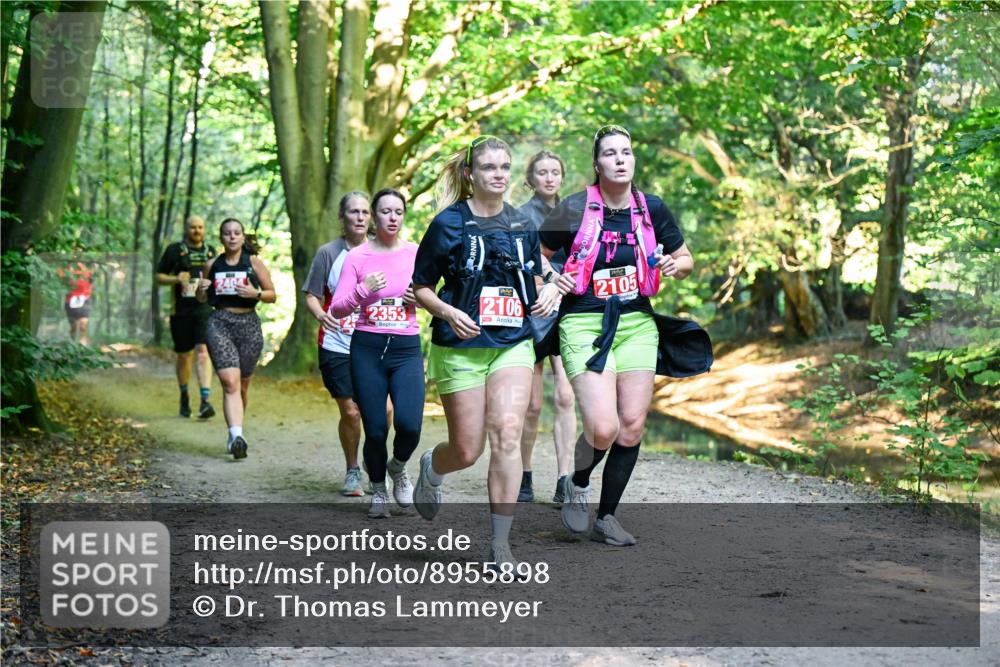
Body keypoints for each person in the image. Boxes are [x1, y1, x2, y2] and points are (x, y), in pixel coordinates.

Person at [411, 135, 566, 568]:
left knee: (507, 433)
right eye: (489, 168)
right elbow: (420, 285)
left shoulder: (522, 225)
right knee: (467, 449)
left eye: (504, 167)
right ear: (470, 175)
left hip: (511, 344)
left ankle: (500, 545)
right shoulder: (448, 224)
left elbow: (537, 277)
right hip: (460, 346)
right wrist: (446, 311)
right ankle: (434, 467)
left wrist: (551, 291)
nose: (498, 175)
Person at [539, 125, 693, 546]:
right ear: (597, 164)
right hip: (584, 322)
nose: (621, 159)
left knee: (632, 426)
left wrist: (677, 267)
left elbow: (684, 258)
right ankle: (578, 481)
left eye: (626, 152)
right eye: (611, 153)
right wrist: (553, 278)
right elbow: (536, 255)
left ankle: (606, 517)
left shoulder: (652, 209)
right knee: (603, 426)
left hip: (637, 323)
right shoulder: (573, 209)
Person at [329, 189, 422, 519]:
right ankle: (379, 489)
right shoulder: (358, 257)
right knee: (377, 428)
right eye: (385, 211)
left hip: (406, 347)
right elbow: (338, 308)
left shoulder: (415, 252)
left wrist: (421, 298)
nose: (393, 217)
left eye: (398, 211)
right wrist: (363, 289)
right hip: (367, 348)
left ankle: (398, 467)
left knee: (410, 426)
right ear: (374, 216)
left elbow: (434, 296)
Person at [516, 150, 576, 504]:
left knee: (567, 396)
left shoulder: (574, 212)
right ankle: (524, 476)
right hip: (534, 309)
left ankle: (564, 479)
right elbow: (523, 263)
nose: (549, 177)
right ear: (531, 179)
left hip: (568, 308)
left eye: (555, 171)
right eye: (542, 172)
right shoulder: (521, 216)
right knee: (534, 404)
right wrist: (548, 282)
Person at [302, 193, 370, 496]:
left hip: (375, 341)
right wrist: (321, 315)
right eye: (353, 212)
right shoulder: (328, 253)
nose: (359, 217)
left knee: (385, 411)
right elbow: (311, 294)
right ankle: (353, 469)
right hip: (337, 342)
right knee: (351, 411)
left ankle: (374, 457)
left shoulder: (383, 250)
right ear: (341, 217)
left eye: (365, 212)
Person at [196, 218, 276, 459]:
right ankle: (236, 437)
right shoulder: (213, 264)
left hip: (249, 325)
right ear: (221, 238)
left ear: (242, 237)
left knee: (241, 385)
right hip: (220, 323)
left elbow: (272, 295)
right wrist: (201, 289)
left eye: (236, 233)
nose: (232, 237)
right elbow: (202, 298)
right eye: (227, 233)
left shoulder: (253, 263)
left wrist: (257, 293)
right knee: (229, 383)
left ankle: (235, 430)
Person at [156, 215, 217, 419]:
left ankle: (205, 401)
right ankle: (184, 396)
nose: (197, 231)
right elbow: (158, 277)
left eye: (200, 227)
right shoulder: (175, 250)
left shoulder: (211, 251)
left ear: (205, 229)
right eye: (193, 227)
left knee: (203, 351)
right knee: (184, 356)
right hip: (180, 312)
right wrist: (175, 278)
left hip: (204, 310)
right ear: (186, 229)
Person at [61, 260, 93, 345]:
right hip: (70, 301)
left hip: (84, 300)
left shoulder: (86, 270)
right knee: (74, 327)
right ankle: (72, 344)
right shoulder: (66, 271)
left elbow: (90, 277)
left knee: (83, 326)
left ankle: (82, 345)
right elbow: (60, 276)